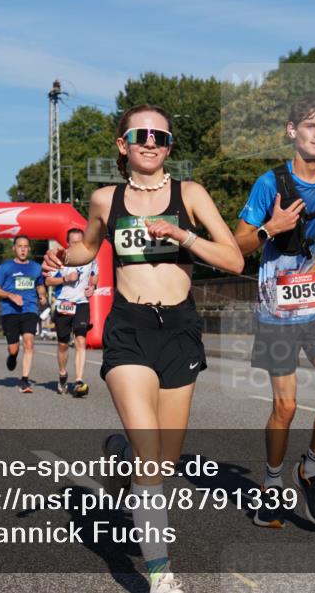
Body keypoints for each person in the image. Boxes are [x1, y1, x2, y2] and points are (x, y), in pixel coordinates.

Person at [43, 104, 243, 593]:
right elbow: (87, 248)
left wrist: (182, 234)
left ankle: (117, 455)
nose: (150, 142)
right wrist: (62, 256)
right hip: (129, 328)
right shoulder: (103, 200)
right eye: (140, 134)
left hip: (179, 330)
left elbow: (233, 259)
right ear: (123, 144)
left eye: (160, 135)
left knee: (165, 462)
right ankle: (159, 572)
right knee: (151, 457)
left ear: (169, 145)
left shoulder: (189, 194)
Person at [233, 96, 315, 529]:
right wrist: (272, 228)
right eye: (310, 126)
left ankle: (310, 468)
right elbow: (238, 245)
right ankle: (270, 485)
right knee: (285, 407)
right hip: (278, 309)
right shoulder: (269, 184)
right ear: (292, 131)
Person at [45, 228, 98, 397]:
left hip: (82, 303)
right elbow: (48, 280)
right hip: (64, 304)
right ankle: (62, 374)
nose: (76, 245)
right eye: (73, 243)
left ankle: (79, 381)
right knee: (63, 345)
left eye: (79, 242)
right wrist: (65, 278)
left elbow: (95, 275)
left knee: (81, 341)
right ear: (67, 243)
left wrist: (92, 286)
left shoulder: (89, 257)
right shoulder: (60, 259)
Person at [0, 236, 47, 393]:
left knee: (29, 343)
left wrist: (42, 296)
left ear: (29, 249)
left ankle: (24, 380)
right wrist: (10, 295)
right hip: (10, 311)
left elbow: (40, 286)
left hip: (29, 309)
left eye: (25, 246)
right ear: (14, 248)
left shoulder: (36, 268)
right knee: (13, 348)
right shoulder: (5, 267)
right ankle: (12, 356)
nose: (23, 249)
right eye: (19, 246)